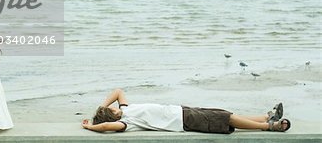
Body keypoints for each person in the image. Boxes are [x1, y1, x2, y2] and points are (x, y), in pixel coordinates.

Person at [81, 88, 291, 133]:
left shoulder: (126, 110)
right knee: (226, 118)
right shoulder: (127, 123)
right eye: (113, 111)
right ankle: (269, 126)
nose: (116, 110)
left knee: (226, 115)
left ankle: (266, 117)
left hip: (184, 111)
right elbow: (108, 126)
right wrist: (92, 126)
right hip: (184, 120)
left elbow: (118, 91)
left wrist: (103, 107)